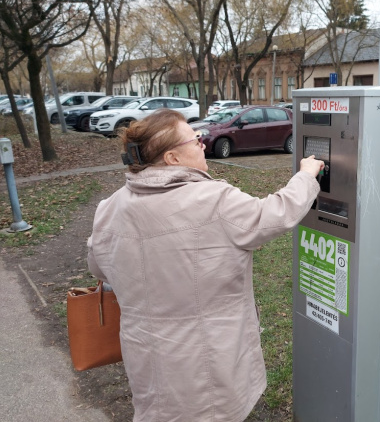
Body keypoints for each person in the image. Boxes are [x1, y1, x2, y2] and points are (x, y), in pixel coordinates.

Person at [87, 109, 324, 422]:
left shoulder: (110, 206)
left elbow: (99, 268)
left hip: (146, 355)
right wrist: (306, 175)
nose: (202, 144)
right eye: (195, 139)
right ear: (172, 158)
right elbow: (277, 213)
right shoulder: (213, 200)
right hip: (206, 361)